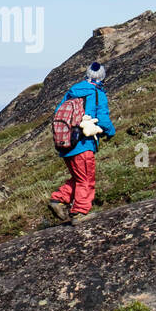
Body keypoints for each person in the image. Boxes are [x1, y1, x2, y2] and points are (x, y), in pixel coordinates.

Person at [47, 61, 115, 226]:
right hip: (82, 143)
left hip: (66, 143)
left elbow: (58, 113)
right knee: (86, 179)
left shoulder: (73, 91)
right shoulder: (97, 93)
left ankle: (59, 199)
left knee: (78, 177)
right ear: (102, 77)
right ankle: (79, 212)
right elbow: (103, 118)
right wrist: (110, 132)